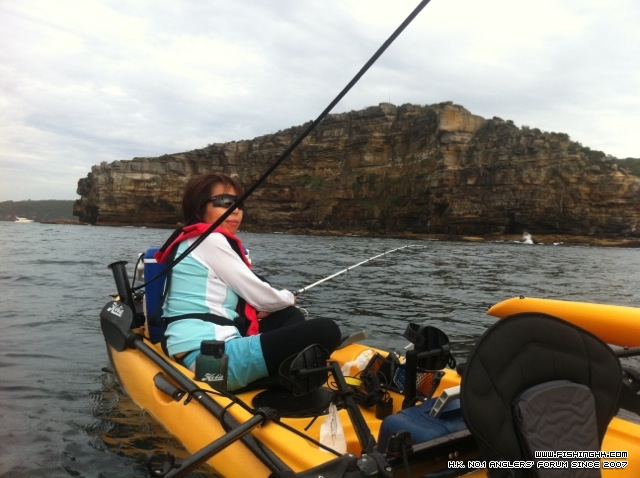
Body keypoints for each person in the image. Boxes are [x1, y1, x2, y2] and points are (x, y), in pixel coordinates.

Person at [155, 172, 341, 391]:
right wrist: (288, 297)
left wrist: (273, 307)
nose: (235, 210)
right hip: (209, 360)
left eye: (239, 204)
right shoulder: (210, 241)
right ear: (198, 208)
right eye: (224, 202)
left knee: (290, 316)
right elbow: (261, 298)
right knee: (327, 330)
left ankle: (285, 371)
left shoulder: (191, 242)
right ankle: (283, 378)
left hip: (193, 348)